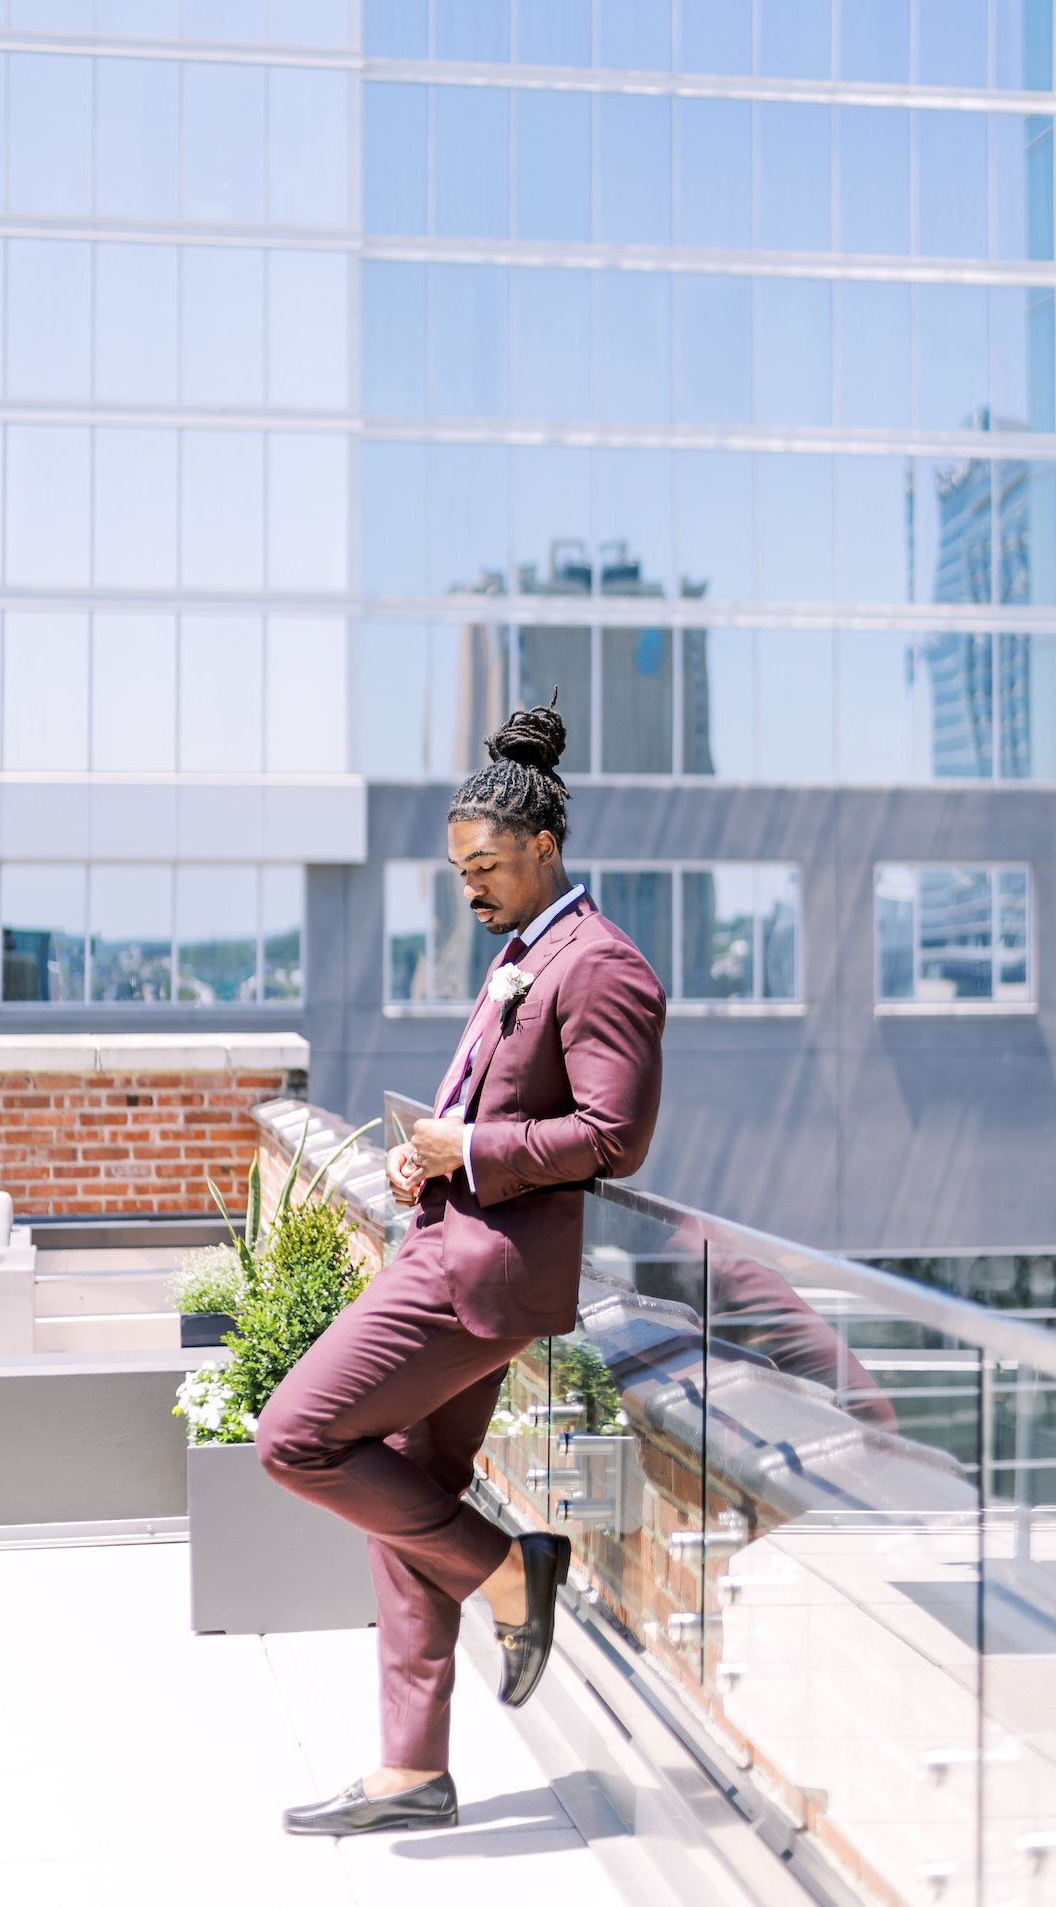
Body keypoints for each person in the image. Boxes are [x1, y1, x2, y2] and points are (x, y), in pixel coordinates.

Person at [257, 700, 666, 1837]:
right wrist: (428, 1150)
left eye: (486, 866)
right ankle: (411, 1771)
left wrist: (473, 1152)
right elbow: (492, 1108)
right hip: (454, 1240)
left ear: (544, 849)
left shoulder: (602, 968)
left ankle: (509, 1571)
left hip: (477, 1277)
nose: (471, 888)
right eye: (458, 871)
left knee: (297, 1436)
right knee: (403, 1485)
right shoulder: (522, 958)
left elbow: (614, 1137)